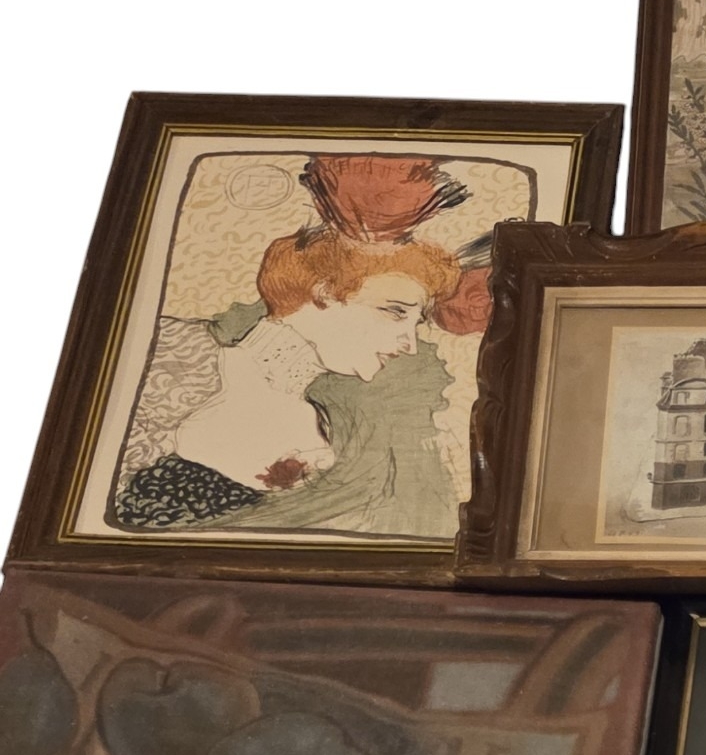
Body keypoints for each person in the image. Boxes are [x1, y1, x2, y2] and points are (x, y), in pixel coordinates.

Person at [109, 155, 489, 538]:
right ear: (323, 293)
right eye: (394, 312)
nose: (408, 345)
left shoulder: (325, 428)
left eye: (414, 322)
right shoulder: (174, 351)